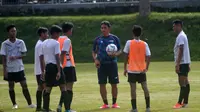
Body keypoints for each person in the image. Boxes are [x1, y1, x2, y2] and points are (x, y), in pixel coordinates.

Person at [0, 24, 36, 109]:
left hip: (19, 68)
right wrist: (5, 70)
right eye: (12, 31)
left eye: (15, 31)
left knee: (24, 85)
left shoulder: (21, 42)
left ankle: (30, 104)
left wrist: (16, 57)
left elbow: (24, 54)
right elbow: (3, 58)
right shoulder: (5, 44)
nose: (14, 32)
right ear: (8, 32)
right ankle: (14, 104)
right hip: (10, 69)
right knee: (11, 86)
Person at [92, 21, 121, 109]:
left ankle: (114, 103)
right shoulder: (98, 39)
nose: (103, 29)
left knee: (114, 84)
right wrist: (96, 59)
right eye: (102, 28)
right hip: (102, 65)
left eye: (105, 28)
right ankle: (105, 104)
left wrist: (115, 54)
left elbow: (120, 50)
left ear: (109, 28)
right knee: (102, 84)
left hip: (112, 64)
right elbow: (94, 51)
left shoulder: (114, 38)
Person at [39, 25, 69, 112]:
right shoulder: (56, 43)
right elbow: (57, 57)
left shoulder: (43, 43)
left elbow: (41, 57)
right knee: (63, 87)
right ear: (55, 33)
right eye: (58, 33)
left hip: (48, 67)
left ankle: (45, 108)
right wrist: (59, 71)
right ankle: (67, 109)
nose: (59, 36)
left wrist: (42, 71)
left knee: (48, 88)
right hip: (55, 66)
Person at [123, 25, 151, 112]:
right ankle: (148, 107)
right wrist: (146, 67)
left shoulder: (129, 43)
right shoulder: (144, 44)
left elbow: (125, 55)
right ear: (141, 33)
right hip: (141, 70)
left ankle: (134, 108)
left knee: (133, 89)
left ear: (133, 33)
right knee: (145, 87)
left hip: (132, 69)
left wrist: (125, 68)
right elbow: (148, 56)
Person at [57, 22, 77, 112]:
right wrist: (61, 66)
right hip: (68, 66)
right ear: (68, 30)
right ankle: (67, 109)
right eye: (71, 30)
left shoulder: (58, 39)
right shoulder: (67, 40)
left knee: (64, 88)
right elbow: (63, 54)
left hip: (62, 66)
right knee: (69, 88)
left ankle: (60, 105)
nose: (72, 32)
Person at [172, 20, 191, 109]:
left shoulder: (181, 36)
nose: (173, 28)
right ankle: (185, 102)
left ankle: (179, 102)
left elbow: (181, 49)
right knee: (186, 82)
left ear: (179, 26)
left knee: (182, 82)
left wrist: (177, 64)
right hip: (185, 62)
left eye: (174, 26)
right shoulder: (183, 35)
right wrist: (188, 63)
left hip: (182, 63)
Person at [34, 27, 49, 111]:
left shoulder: (39, 43)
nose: (47, 35)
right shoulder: (40, 44)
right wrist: (43, 71)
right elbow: (41, 58)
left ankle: (39, 107)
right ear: (42, 34)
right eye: (46, 33)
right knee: (46, 88)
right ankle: (45, 107)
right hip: (41, 70)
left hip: (38, 70)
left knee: (40, 88)